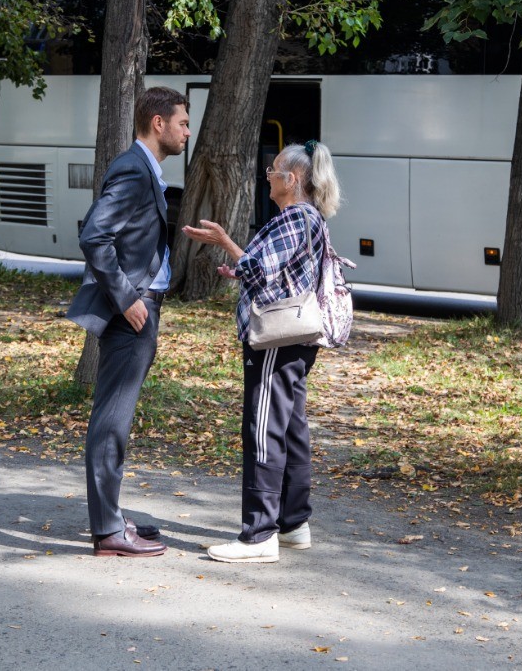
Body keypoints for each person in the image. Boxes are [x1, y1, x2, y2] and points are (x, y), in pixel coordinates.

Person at [182, 140, 341, 563]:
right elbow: (276, 273)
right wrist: (240, 266)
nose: (267, 177)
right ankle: (293, 525)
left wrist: (225, 242)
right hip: (296, 341)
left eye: (272, 171)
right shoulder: (309, 218)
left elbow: (258, 267)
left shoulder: (294, 217)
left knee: (264, 429)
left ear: (292, 179)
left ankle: (259, 534)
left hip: (276, 341)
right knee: (291, 429)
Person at [66, 86, 191, 557]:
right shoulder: (133, 168)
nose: (186, 131)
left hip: (140, 306)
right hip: (131, 311)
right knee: (112, 420)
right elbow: (95, 236)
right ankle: (108, 532)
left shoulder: (143, 169)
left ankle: (111, 516)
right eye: (181, 122)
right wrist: (127, 298)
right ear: (157, 123)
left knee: (116, 417)